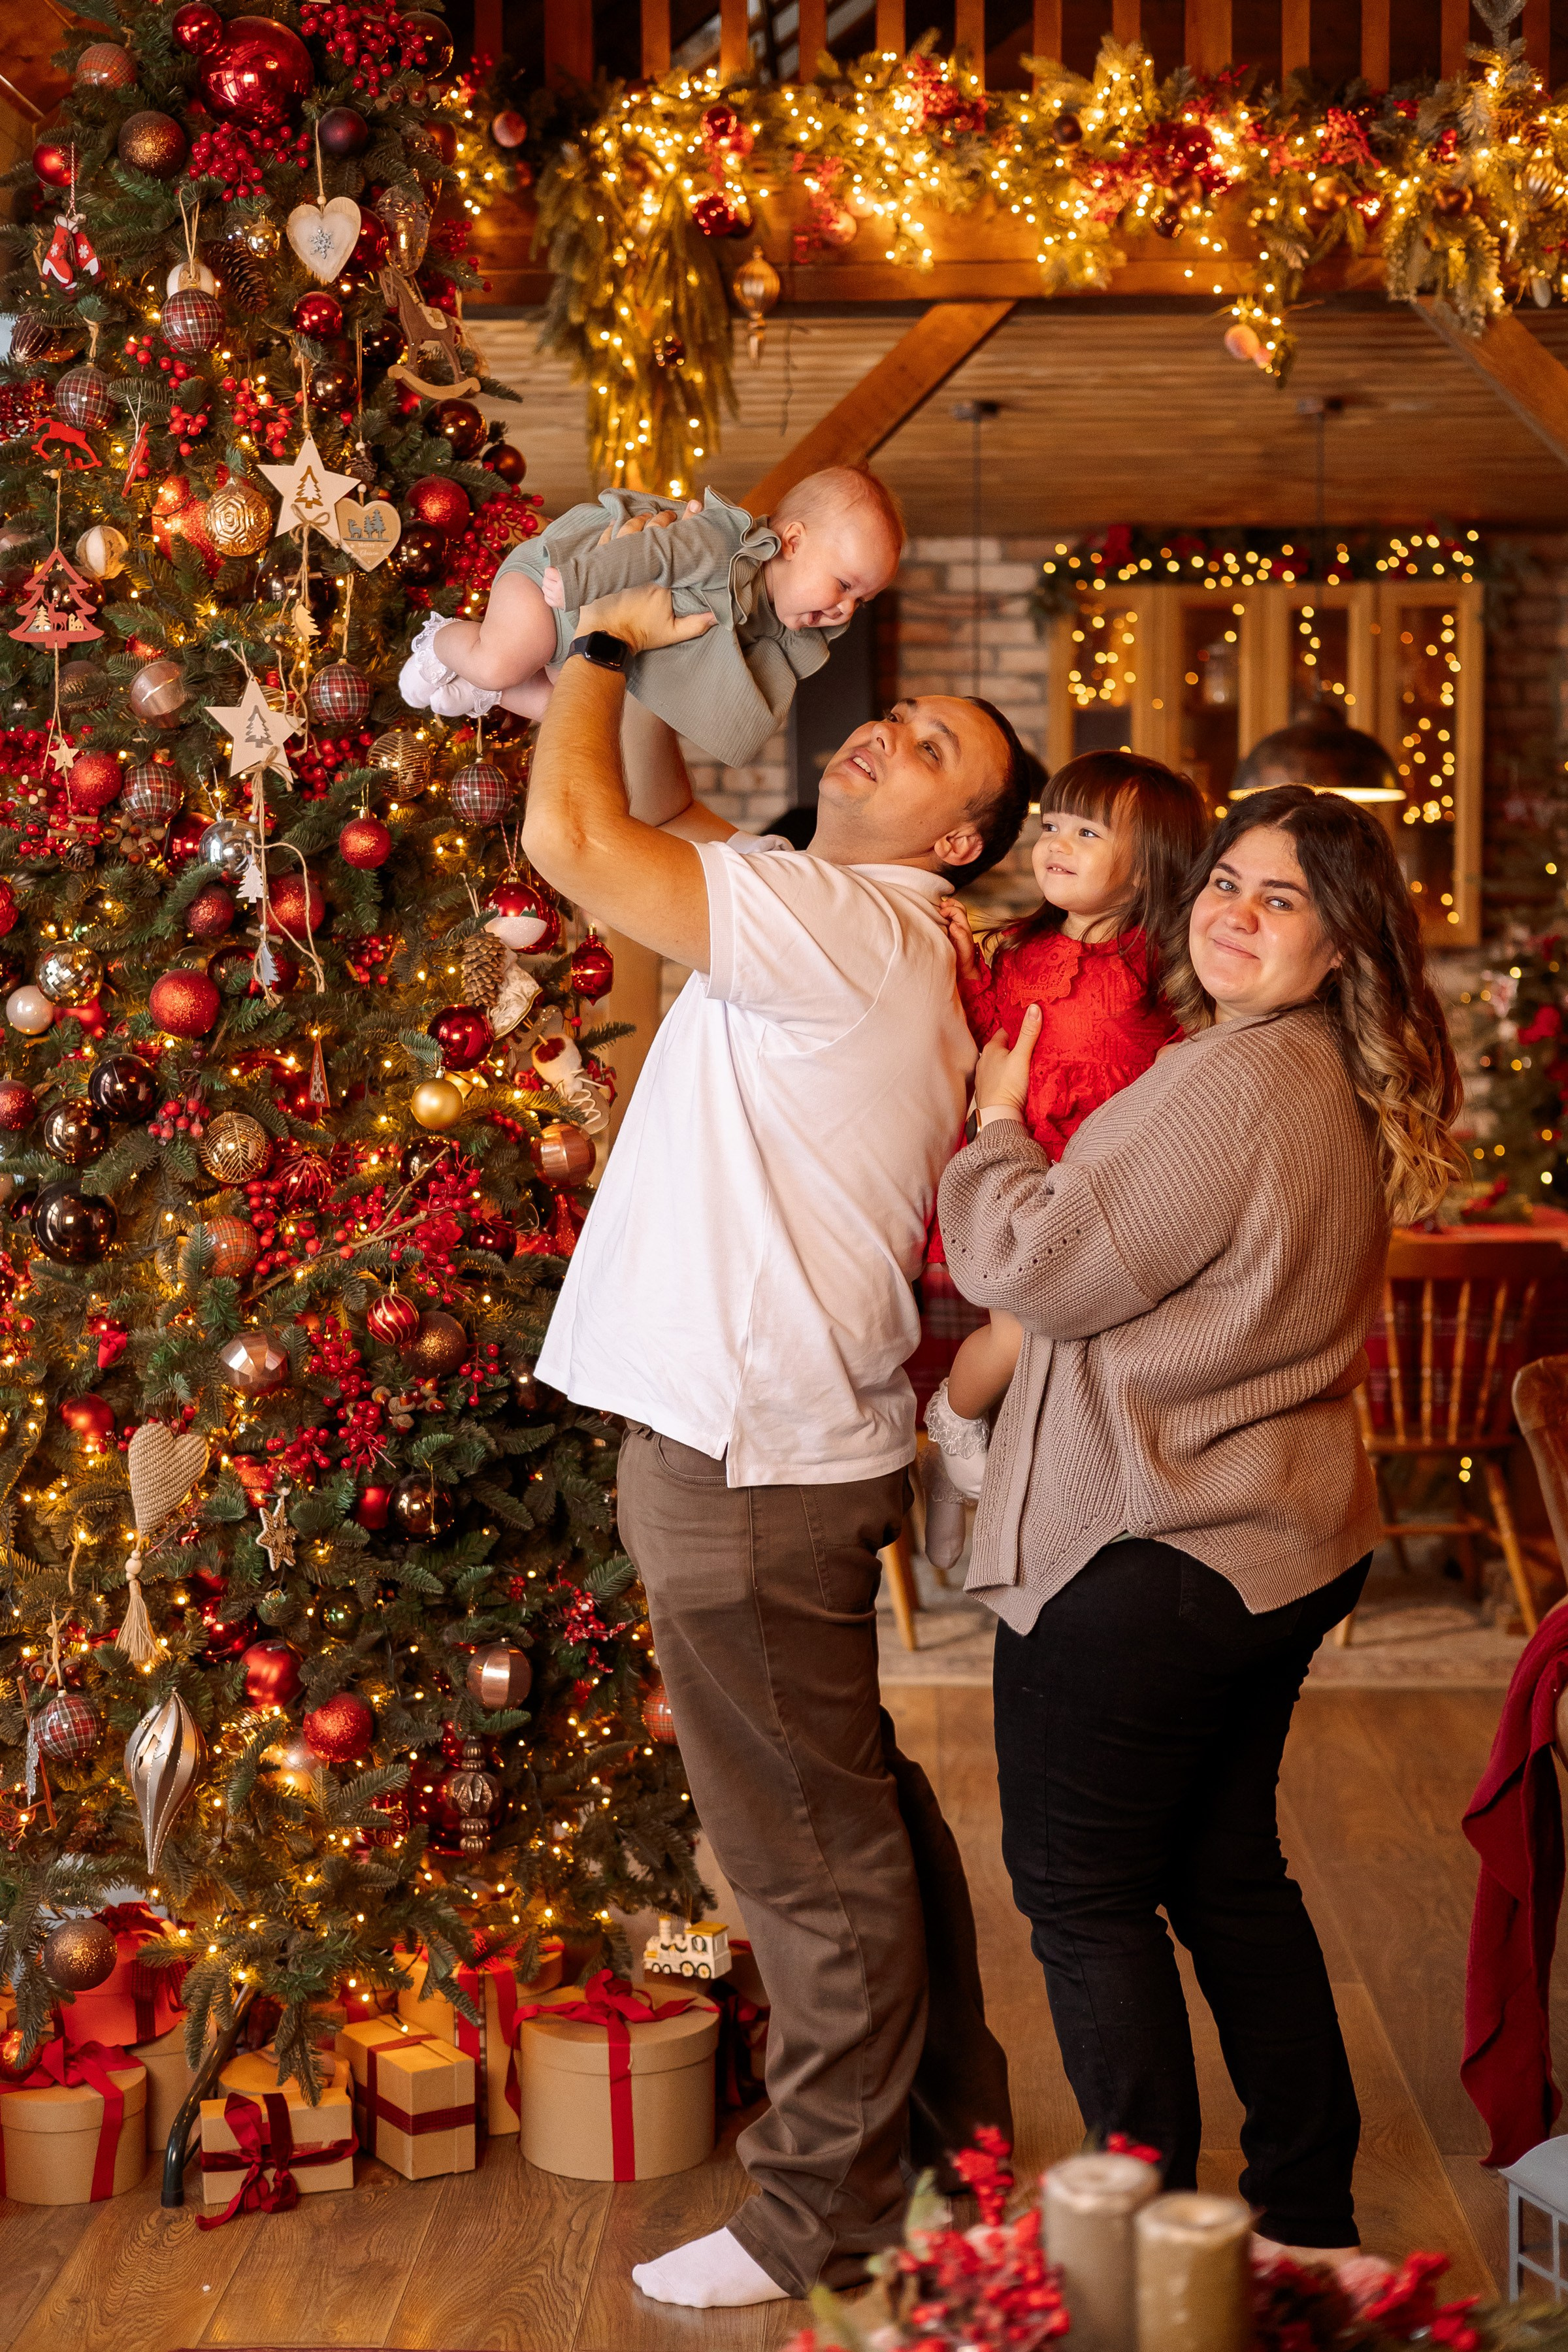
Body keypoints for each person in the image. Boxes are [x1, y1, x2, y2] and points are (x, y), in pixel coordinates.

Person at [520, 530, 1040, 2308]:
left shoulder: (844, 926)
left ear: (956, 842)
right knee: (852, 1813)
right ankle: (956, 2151)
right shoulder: (834, 910)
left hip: (744, 1461)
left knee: (807, 1862)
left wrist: (593, 640)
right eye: (900, 712)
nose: (890, 732)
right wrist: (714, 637)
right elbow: (657, 803)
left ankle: (817, 2214)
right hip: (770, 1447)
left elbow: (575, 836)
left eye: (936, 747)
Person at [938, 783, 1466, 2261]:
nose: (1234, 911)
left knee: (1081, 1896)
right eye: (1226, 880)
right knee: (1225, 1875)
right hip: (1271, 1544)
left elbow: (1035, 1268)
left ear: (1339, 942)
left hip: (1147, 1550)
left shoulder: (1225, 1083)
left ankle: (1144, 2246)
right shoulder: (1320, 1074)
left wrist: (994, 1124)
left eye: (1279, 897)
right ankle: (1303, 2220)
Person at [920, 751, 1209, 1568]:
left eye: (1088, 832)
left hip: (1108, 1193)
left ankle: (1034, 1518)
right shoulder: (1021, 949)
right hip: (1018, 1179)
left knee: (1075, 1372)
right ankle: (952, 1424)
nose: (1056, 843)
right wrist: (970, 973)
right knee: (1016, 1339)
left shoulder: (1168, 964)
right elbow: (992, 1040)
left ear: (1150, 862)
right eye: (1052, 825)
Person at [400, 468, 904, 766]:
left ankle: (482, 690)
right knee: (501, 662)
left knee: (574, 711)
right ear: (792, 542)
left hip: (586, 641)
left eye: (861, 601)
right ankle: (442, 644)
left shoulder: (767, 625)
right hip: (554, 588)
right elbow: (651, 551)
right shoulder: (725, 544)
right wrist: (580, 580)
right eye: (845, 585)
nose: (846, 609)